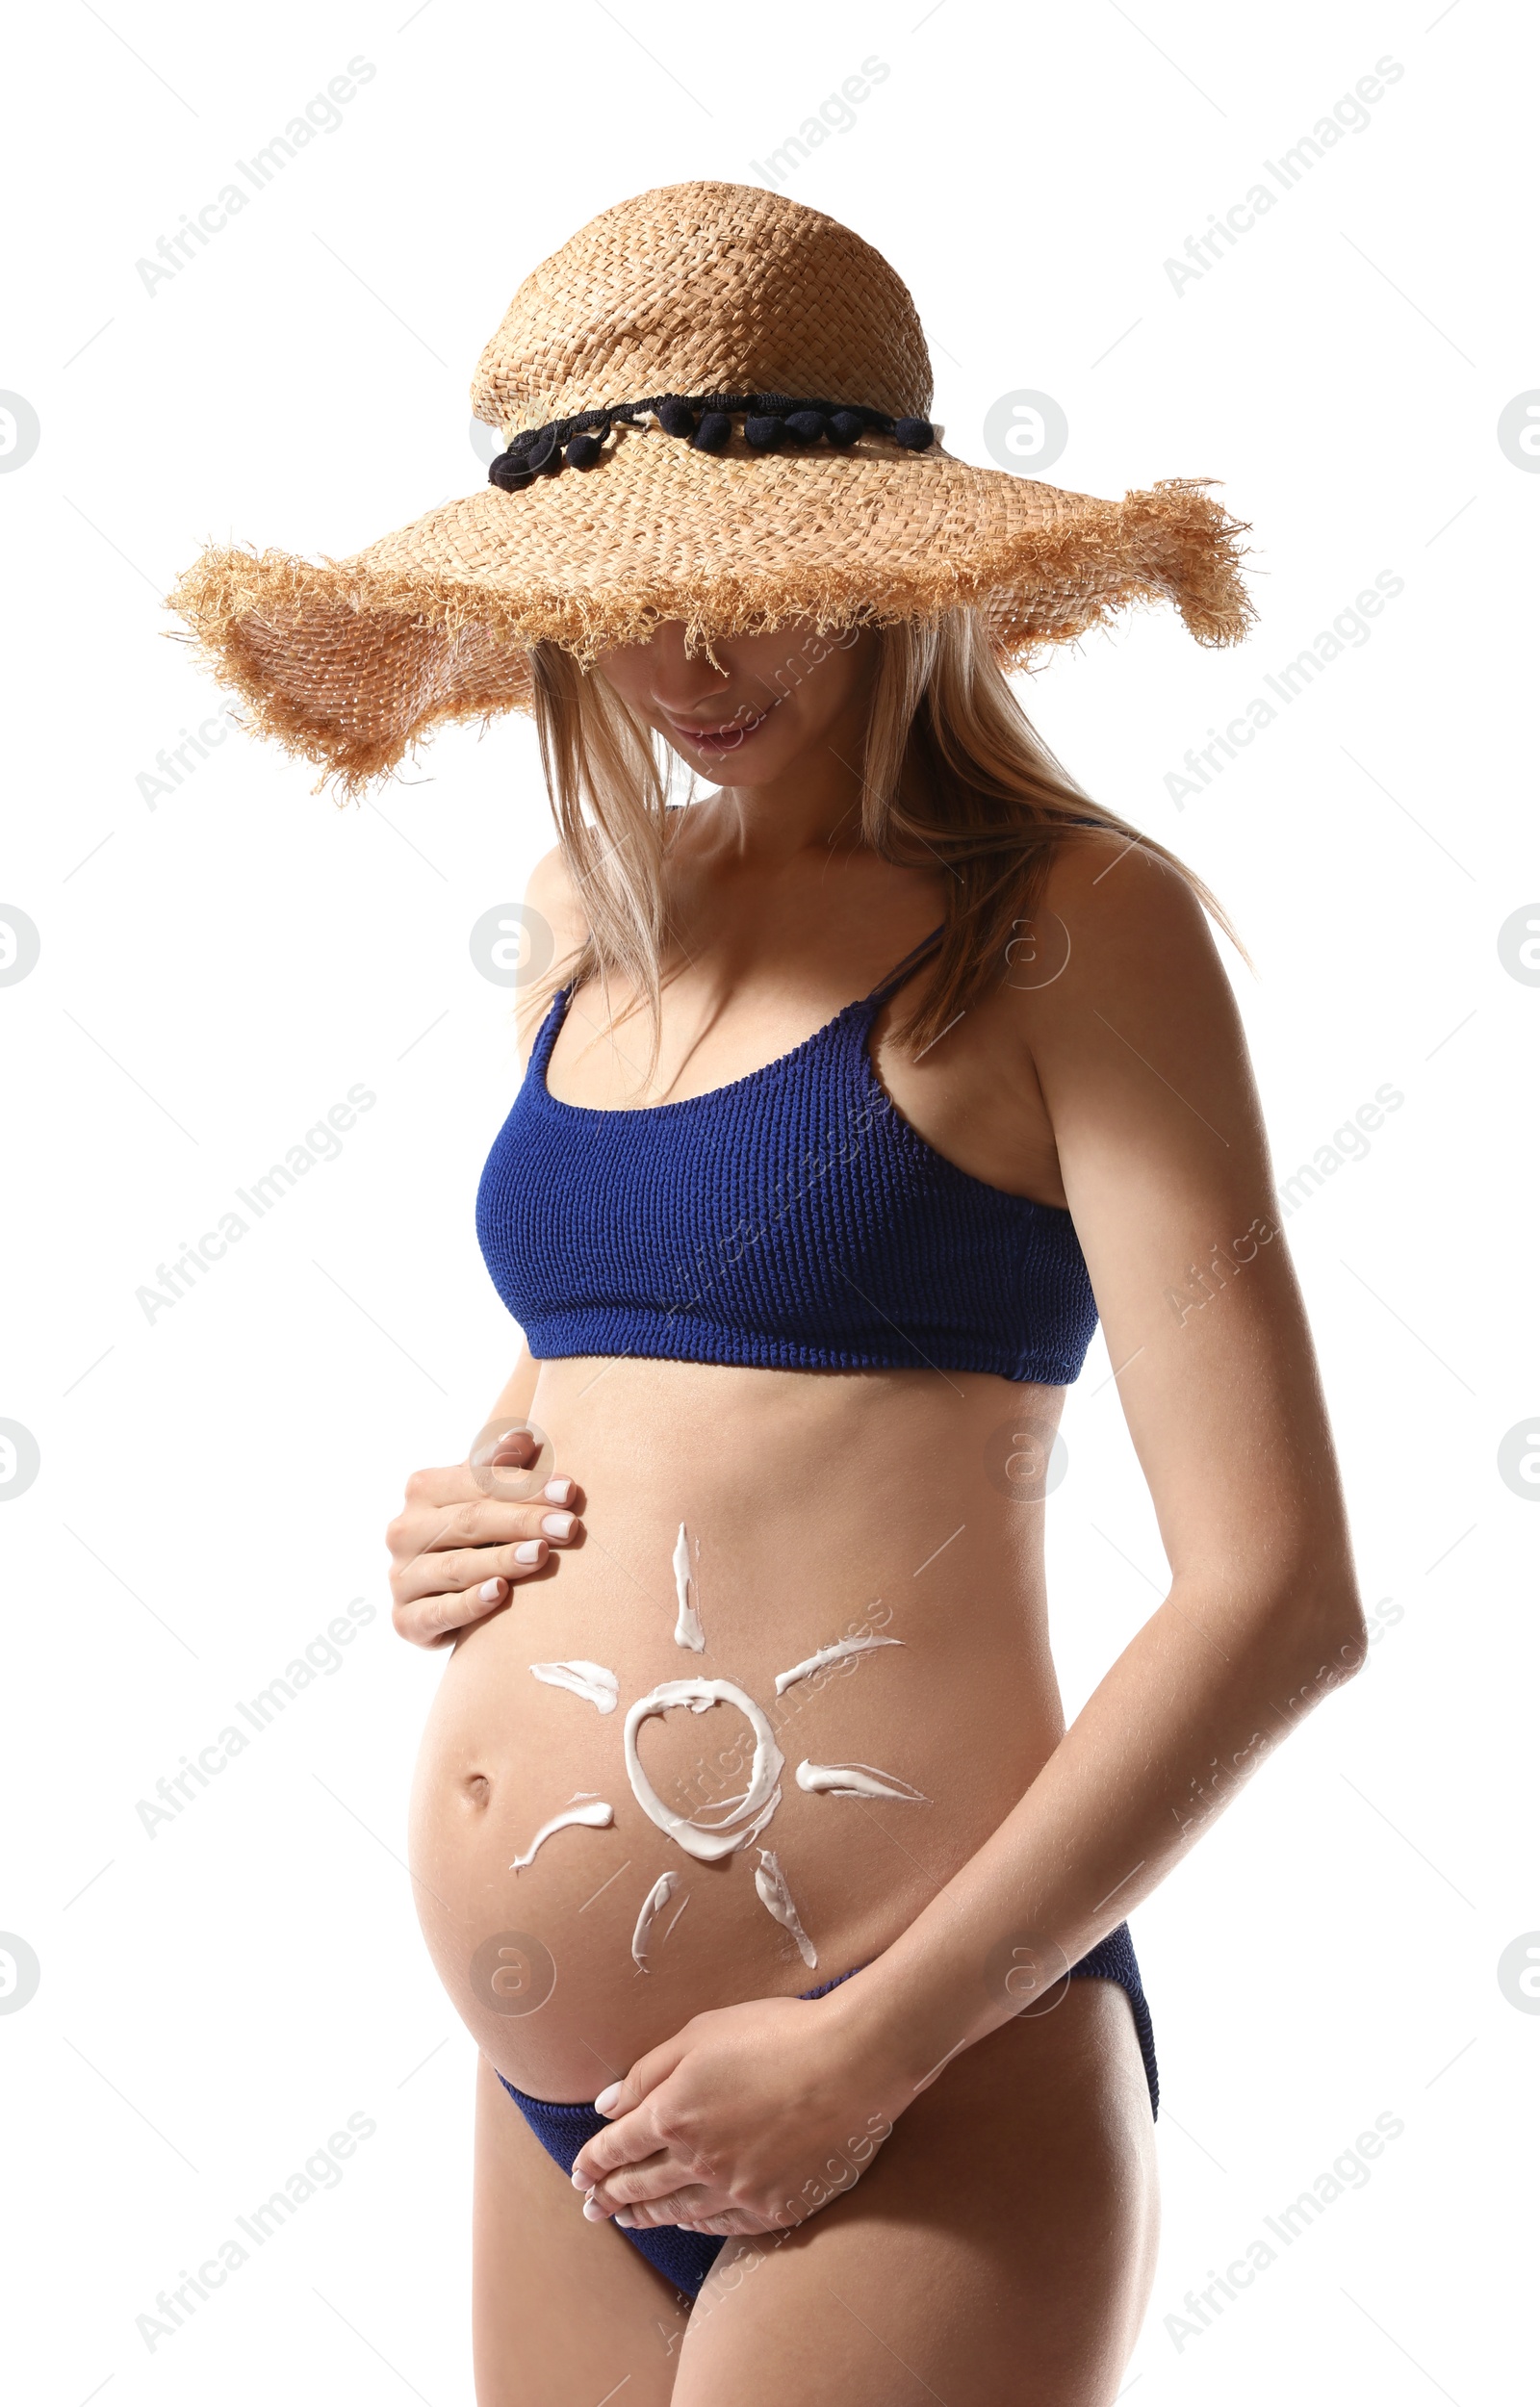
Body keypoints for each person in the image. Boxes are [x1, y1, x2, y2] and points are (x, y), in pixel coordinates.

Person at [171, 181, 1366, 2407]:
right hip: (558, 2106)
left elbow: (1276, 1594)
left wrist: (862, 2047)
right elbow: (649, 1325)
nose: (685, 662)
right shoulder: (583, 915)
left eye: (743, 588)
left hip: (916, 2066)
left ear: (886, 555)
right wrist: (476, 1478)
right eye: (619, 604)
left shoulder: (1068, 928)